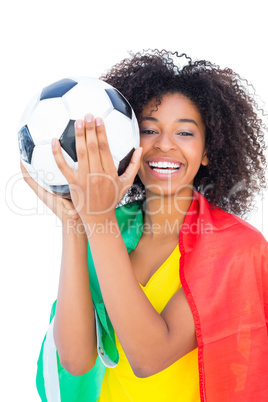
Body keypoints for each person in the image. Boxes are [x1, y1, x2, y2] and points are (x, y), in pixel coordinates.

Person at [21, 50, 268, 401]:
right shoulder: (110, 228)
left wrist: (97, 218)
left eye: (185, 132)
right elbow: (76, 361)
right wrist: (77, 225)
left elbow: (149, 357)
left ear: (208, 151)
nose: (164, 144)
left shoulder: (238, 247)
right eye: (150, 129)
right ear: (129, 141)